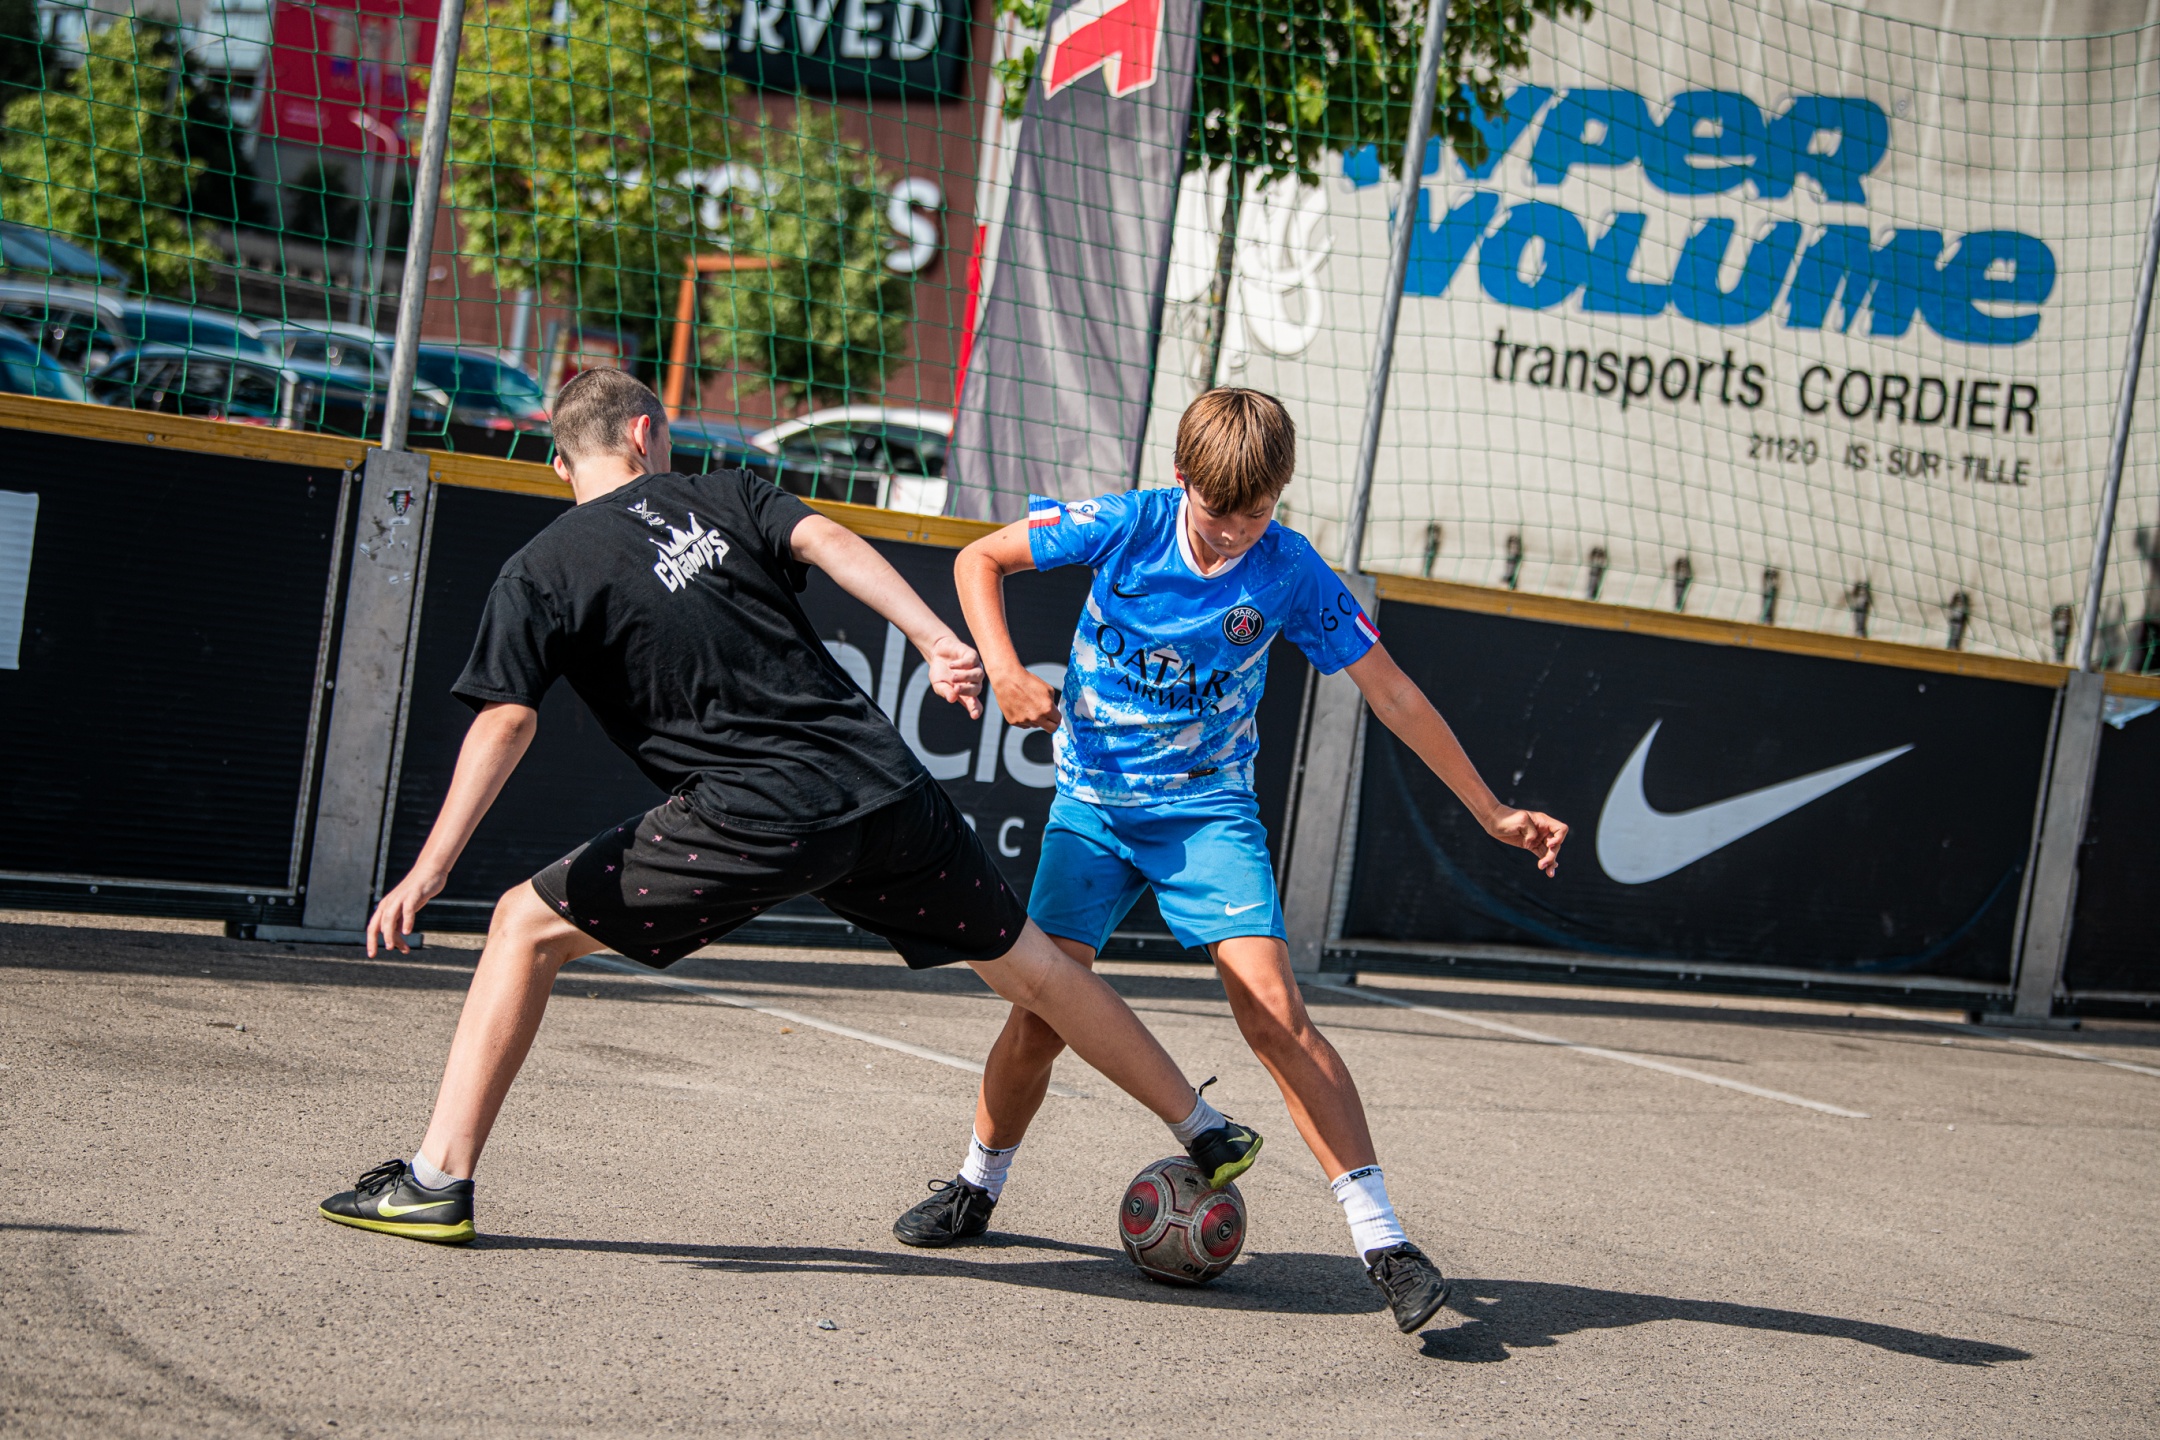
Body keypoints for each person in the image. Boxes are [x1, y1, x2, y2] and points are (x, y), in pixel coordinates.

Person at [317, 370, 1262, 1245]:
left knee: (520, 928)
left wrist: (430, 867)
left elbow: (507, 721)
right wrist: (935, 640)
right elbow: (832, 543)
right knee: (1038, 970)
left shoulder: (539, 570)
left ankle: (437, 1179)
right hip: (883, 786)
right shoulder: (726, 491)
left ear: (562, 463)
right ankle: (1204, 1125)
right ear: (646, 434)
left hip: (756, 814)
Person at [890, 388, 1568, 1335]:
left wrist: (1491, 810)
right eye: (1218, 513)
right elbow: (979, 558)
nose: (1235, 534)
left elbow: (1394, 695)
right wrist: (1004, 669)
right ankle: (976, 1186)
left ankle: (1386, 1244)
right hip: (1092, 808)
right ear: (1182, 481)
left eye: (1257, 514)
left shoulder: (1289, 569)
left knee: (1276, 1016)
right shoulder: (1126, 524)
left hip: (1207, 812)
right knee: (1041, 1016)